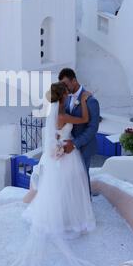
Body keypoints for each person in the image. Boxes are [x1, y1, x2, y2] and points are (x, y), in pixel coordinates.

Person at [0, 83, 99, 266]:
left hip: (58, 154)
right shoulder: (63, 116)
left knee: (59, 191)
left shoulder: (55, 115)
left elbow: (54, 136)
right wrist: (85, 100)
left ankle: (60, 218)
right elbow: (86, 120)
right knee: (68, 190)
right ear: (63, 95)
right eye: (66, 92)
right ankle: (68, 221)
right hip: (66, 155)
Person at [59, 68, 100, 197]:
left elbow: (93, 128)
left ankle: (87, 205)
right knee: (69, 180)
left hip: (83, 147)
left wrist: (75, 143)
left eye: (66, 84)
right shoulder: (65, 98)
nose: (64, 87)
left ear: (74, 80)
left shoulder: (91, 101)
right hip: (66, 148)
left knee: (82, 179)